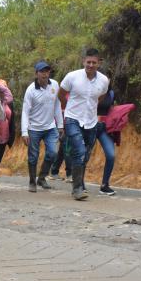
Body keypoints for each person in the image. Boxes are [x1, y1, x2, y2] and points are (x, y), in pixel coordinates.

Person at [58, 48, 109, 200]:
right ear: (83, 62)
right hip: (73, 118)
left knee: (85, 155)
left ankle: (79, 182)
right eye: (88, 62)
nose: (91, 65)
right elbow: (61, 94)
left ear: (99, 63)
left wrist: (91, 107)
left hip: (91, 122)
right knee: (79, 151)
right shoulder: (72, 77)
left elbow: (101, 96)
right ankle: (77, 189)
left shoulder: (104, 80)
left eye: (94, 62)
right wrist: (68, 108)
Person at [22, 61, 64, 192]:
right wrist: (24, 132)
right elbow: (25, 111)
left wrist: (60, 124)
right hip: (34, 128)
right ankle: (32, 181)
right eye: (42, 71)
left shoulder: (55, 85)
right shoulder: (31, 90)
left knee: (52, 153)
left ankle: (41, 177)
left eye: (47, 71)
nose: (45, 74)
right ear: (36, 74)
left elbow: (57, 105)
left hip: (50, 127)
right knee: (33, 156)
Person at [93, 86, 117, 195]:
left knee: (111, 155)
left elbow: (111, 110)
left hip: (104, 128)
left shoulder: (111, 93)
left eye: (108, 79)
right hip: (90, 126)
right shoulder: (90, 90)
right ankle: (80, 184)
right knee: (85, 155)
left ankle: (105, 185)